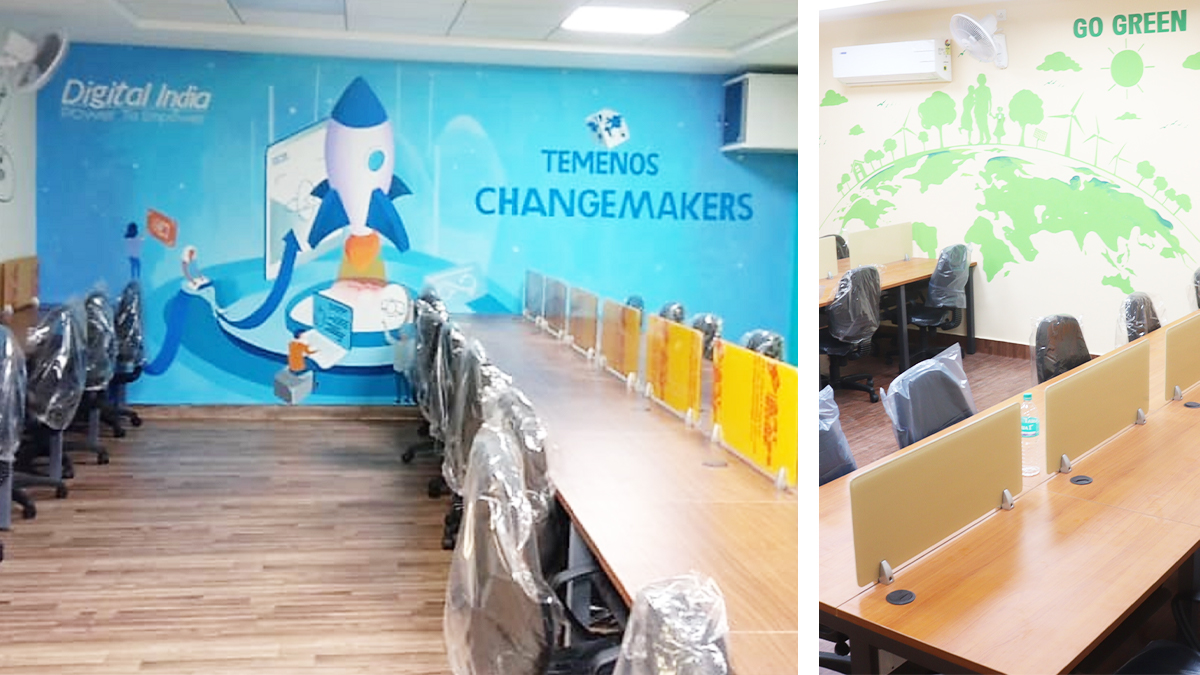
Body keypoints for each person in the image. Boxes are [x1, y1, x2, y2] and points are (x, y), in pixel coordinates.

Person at [382, 321, 416, 404]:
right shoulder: (397, 343)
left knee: (407, 384)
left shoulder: (412, 342)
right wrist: (385, 327)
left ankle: (408, 398)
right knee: (398, 384)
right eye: (401, 334)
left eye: (404, 334)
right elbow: (388, 338)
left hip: (407, 368)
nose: (402, 335)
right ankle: (398, 398)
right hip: (398, 367)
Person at [974, 74, 993, 144]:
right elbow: (976, 100)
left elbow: (989, 100)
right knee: (979, 124)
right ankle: (982, 138)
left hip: (984, 109)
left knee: (984, 124)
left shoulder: (987, 89)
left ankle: (987, 138)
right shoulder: (976, 90)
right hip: (977, 109)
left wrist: (990, 110)